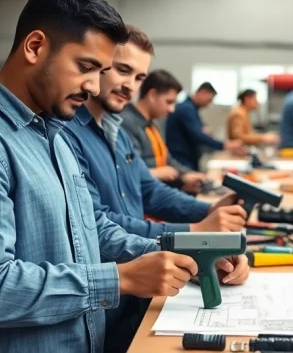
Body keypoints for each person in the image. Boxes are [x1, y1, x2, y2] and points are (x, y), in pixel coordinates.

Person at [0, 0, 248, 352]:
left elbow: (94, 231)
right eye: (85, 66)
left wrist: (188, 256)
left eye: (100, 72)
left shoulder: (53, 133)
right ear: (35, 46)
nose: (95, 88)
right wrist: (118, 280)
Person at [62, 25, 249, 352]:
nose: (129, 86)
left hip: (139, 296)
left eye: (138, 77)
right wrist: (194, 234)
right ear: (100, 64)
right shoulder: (67, 135)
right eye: (123, 70)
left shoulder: (117, 132)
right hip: (106, 304)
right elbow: (97, 223)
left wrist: (209, 211)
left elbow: (149, 191)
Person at [120, 69, 206, 194]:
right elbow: (129, 170)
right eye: (169, 102)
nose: (171, 109)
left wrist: (186, 175)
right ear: (153, 95)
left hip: (159, 191)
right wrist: (156, 173)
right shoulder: (127, 123)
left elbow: (167, 159)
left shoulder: (154, 123)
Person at [166, 82, 246, 170]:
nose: (209, 104)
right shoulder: (186, 108)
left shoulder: (191, 108)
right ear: (202, 92)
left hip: (186, 157)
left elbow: (200, 132)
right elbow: (198, 135)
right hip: (182, 158)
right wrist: (225, 145)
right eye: (209, 100)